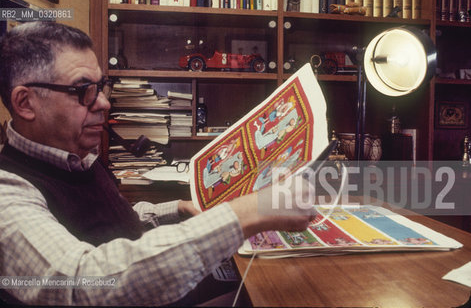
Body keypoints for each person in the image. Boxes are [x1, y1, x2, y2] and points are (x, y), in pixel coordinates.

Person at [0, 21, 315, 306]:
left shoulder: (77, 158)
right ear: (25, 103)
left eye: (101, 86)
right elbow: (83, 284)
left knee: (291, 282)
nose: (104, 103)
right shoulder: (8, 195)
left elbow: (105, 225)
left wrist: (178, 208)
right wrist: (247, 213)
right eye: (84, 91)